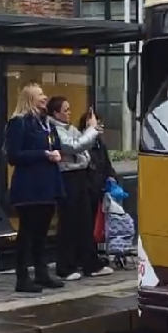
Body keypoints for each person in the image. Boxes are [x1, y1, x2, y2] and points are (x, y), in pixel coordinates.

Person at [6, 82, 66, 293]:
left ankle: (41, 273)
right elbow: (13, 155)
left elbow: (56, 144)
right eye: (40, 94)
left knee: (42, 232)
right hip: (29, 187)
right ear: (30, 98)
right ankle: (22, 277)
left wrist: (57, 152)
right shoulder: (19, 123)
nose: (44, 97)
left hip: (48, 185)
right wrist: (42, 155)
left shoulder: (47, 123)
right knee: (27, 232)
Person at [47, 98, 113, 280]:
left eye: (69, 110)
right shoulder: (54, 129)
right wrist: (91, 130)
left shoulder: (70, 128)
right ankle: (65, 266)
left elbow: (84, 146)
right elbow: (75, 146)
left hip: (81, 175)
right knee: (69, 222)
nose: (69, 113)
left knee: (85, 221)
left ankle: (89, 263)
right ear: (55, 113)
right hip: (67, 176)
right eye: (65, 110)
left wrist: (89, 136)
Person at [78, 111, 120, 265]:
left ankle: (92, 255)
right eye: (97, 123)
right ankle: (86, 258)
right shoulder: (84, 143)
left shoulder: (99, 144)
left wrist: (113, 178)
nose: (100, 127)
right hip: (87, 188)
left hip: (99, 188)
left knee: (96, 225)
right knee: (87, 225)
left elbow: (106, 164)